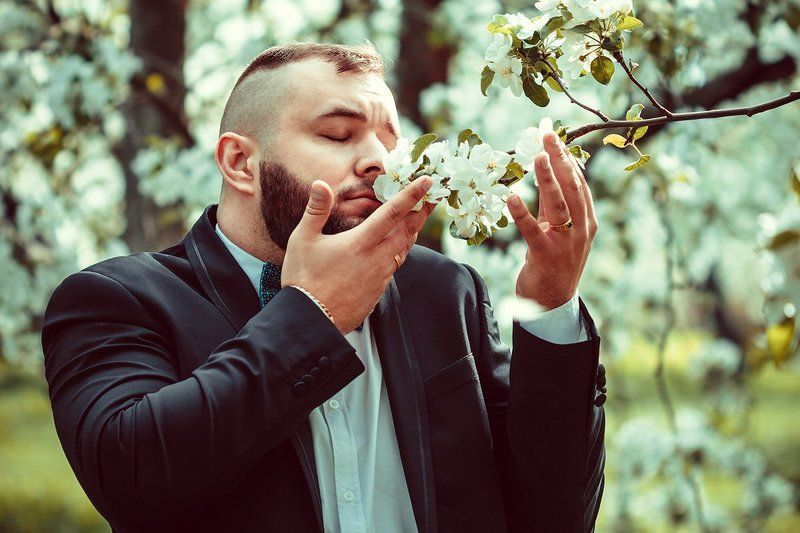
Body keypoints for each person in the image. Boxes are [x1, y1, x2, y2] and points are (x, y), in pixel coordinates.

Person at [41, 42, 606, 533]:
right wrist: (313, 315)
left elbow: (552, 516)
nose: (378, 162)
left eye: (391, 142)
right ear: (241, 162)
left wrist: (551, 306)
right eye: (338, 134)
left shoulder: (445, 290)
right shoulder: (116, 299)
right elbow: (132, 479)